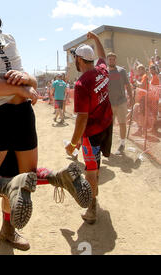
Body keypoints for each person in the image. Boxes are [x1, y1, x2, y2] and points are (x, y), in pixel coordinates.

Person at [0, 11, 92, 255]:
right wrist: (22, 91)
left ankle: (8, 231)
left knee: (17, 182)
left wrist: (28, 81)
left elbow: (11, 78)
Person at [66, 32, 113, 225]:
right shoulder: (102, 70)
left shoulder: (81, 83)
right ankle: (94, 197)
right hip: (107, 126)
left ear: (79, 60)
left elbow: (82, 119)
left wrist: (73, 143)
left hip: (92, 134)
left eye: (75, 59)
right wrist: (96, 39)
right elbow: (102, 55)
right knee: (96, 166)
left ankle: (92, 208)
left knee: (91, 171)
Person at [106, 52, 134, 155]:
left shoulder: (121, 71)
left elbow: (128, 85)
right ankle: (107, 144)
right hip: (109, 103)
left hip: (121, 102)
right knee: (109, 125)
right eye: (110, 59)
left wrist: (131, 98)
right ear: (107, 60)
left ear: (115, 60)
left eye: (113, 59)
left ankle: (122, 144)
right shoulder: (105, 72)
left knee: (122, 123)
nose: (111, 61)